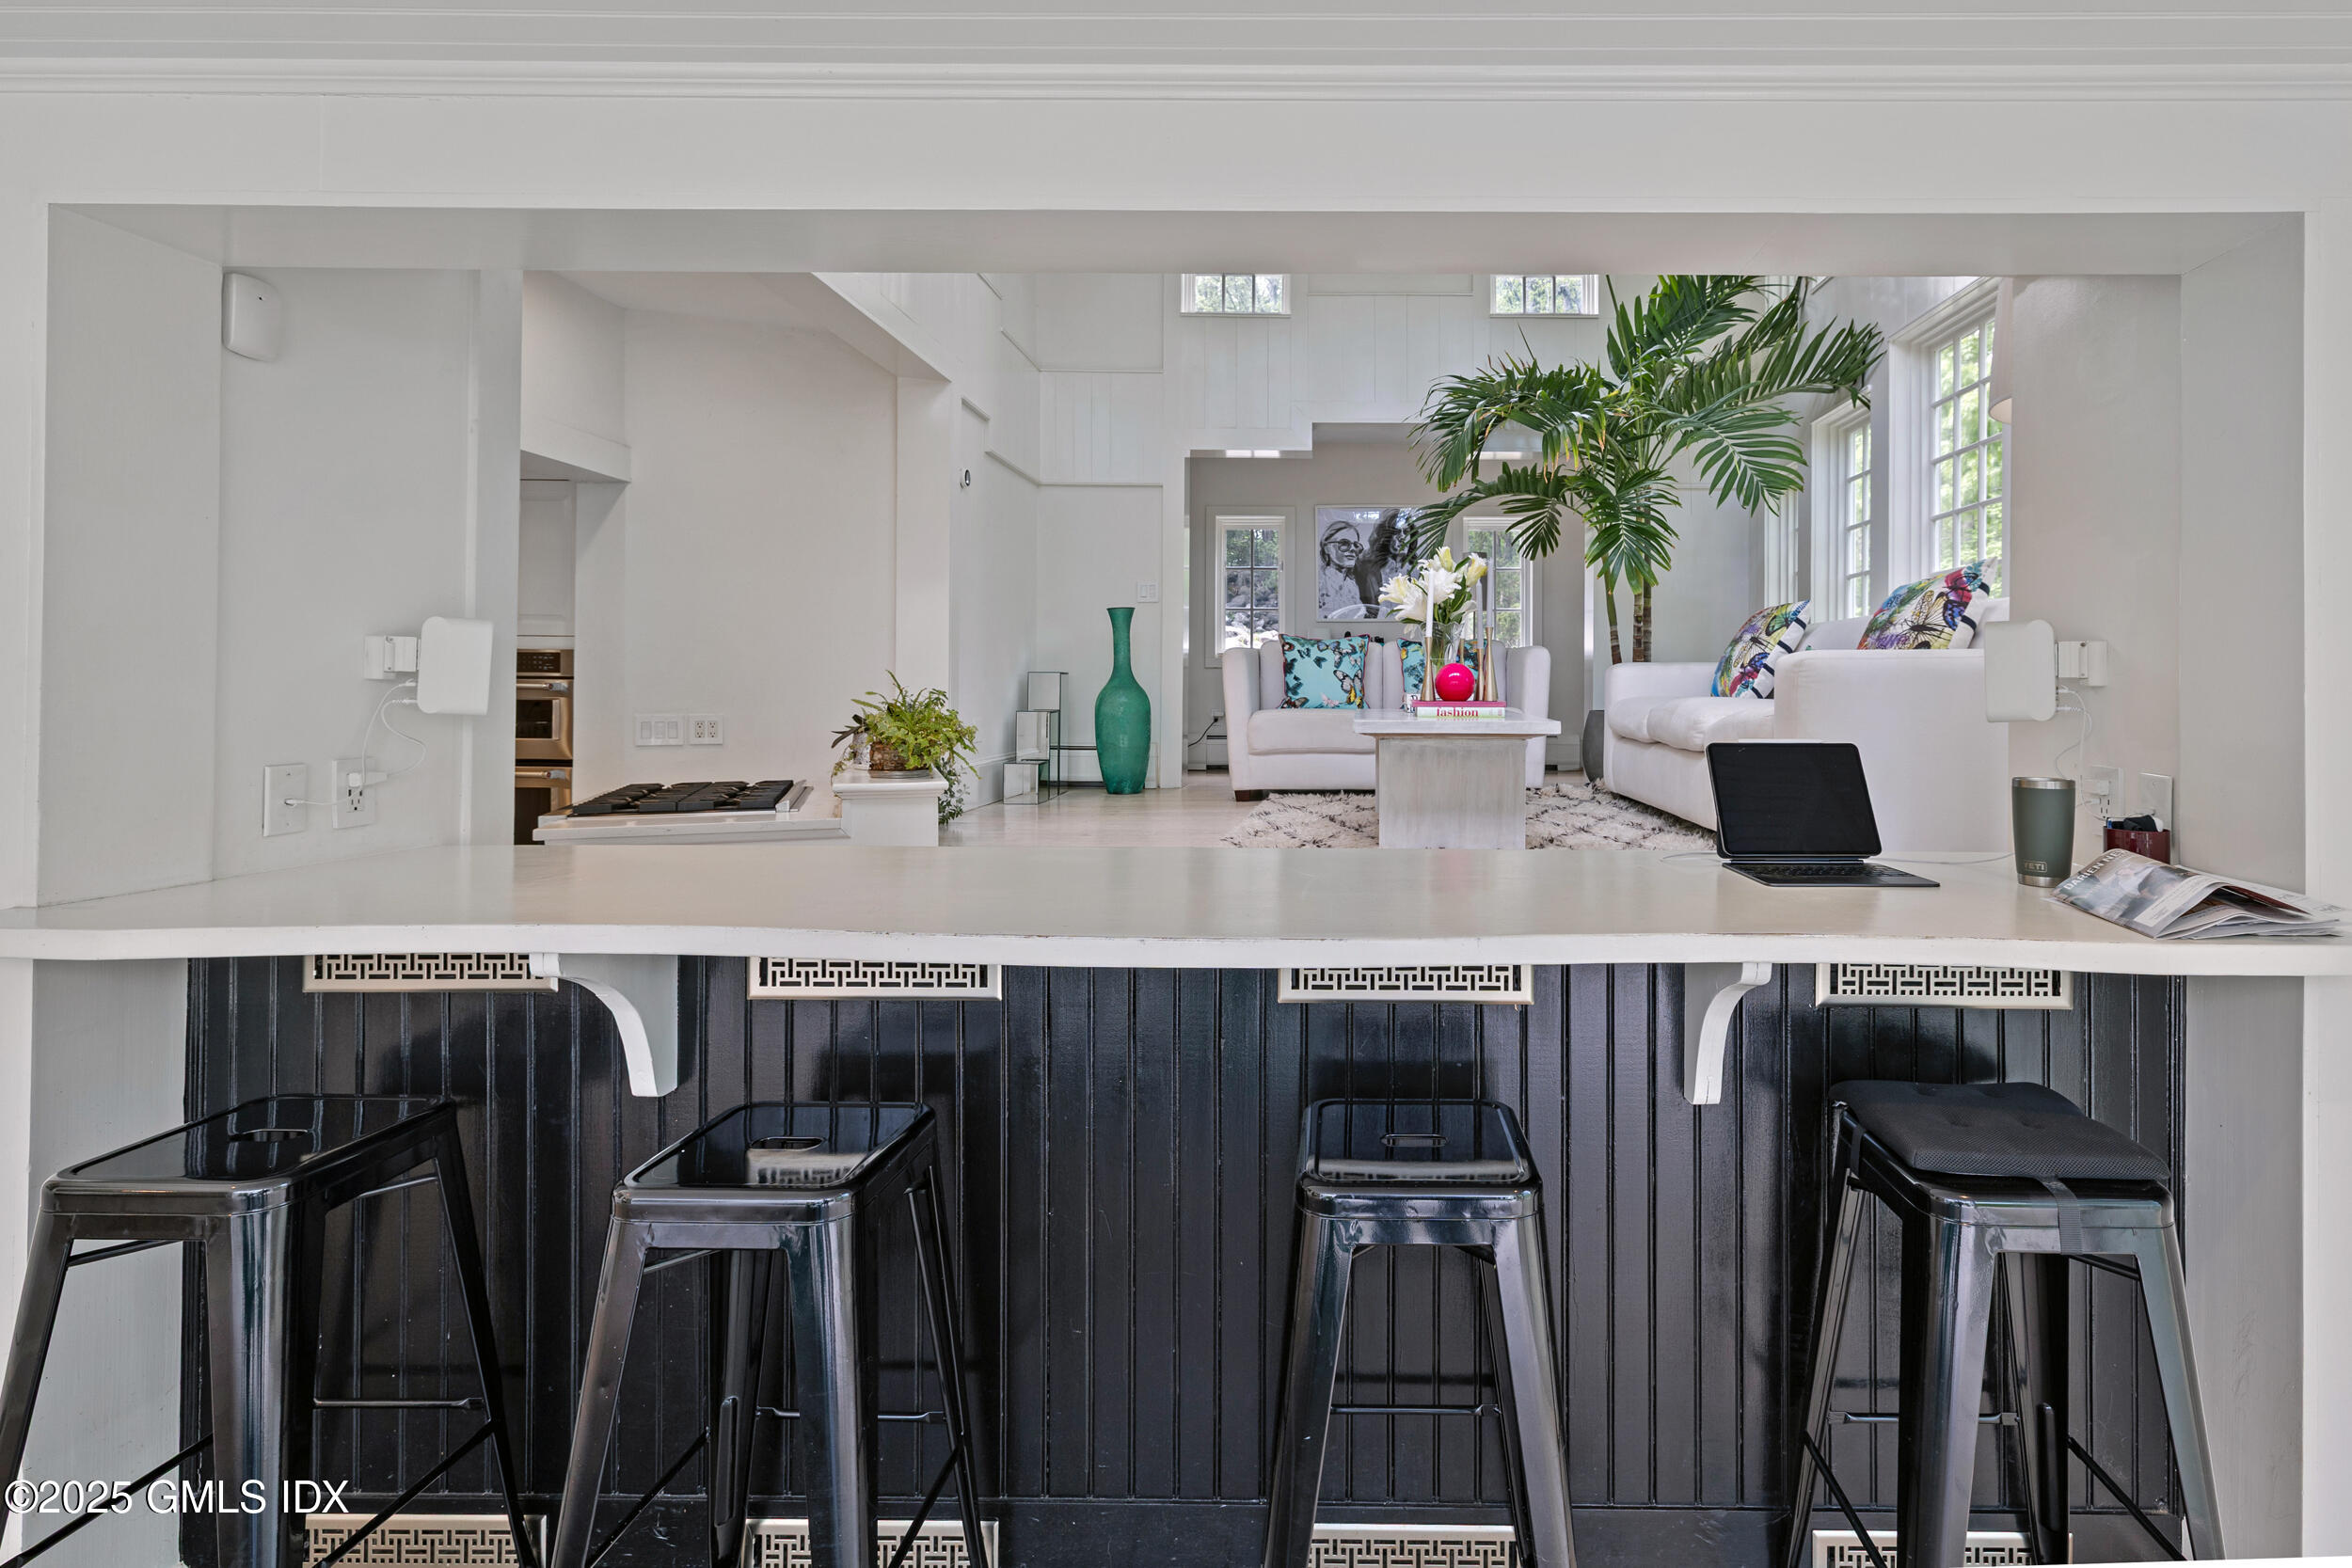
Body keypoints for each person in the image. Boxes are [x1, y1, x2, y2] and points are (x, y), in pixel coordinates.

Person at [1318, 518, 1373, 619]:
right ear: (1327, 548)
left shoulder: (1352, 585)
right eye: (1344, 544)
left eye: (1356, 545)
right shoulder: (1319, 583)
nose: (1353, 549)